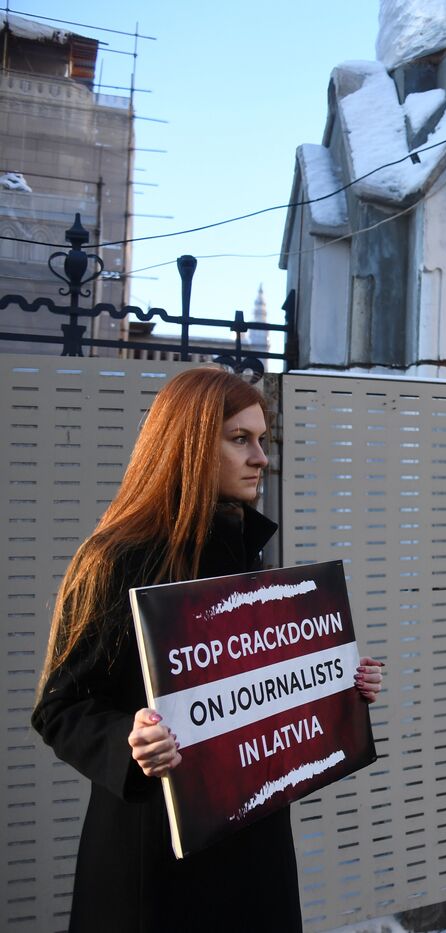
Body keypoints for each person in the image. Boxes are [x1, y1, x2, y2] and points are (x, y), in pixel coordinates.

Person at [30, 368, 384, 933]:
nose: (261, 458)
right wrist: (131, 742)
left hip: (252, 851)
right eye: (239, 439)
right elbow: (61, 708)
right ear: (190, 443)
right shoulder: (115, 558)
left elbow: (262, 689)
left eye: (262, 440)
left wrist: (339, 684)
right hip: (156, 862)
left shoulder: (249, 556)